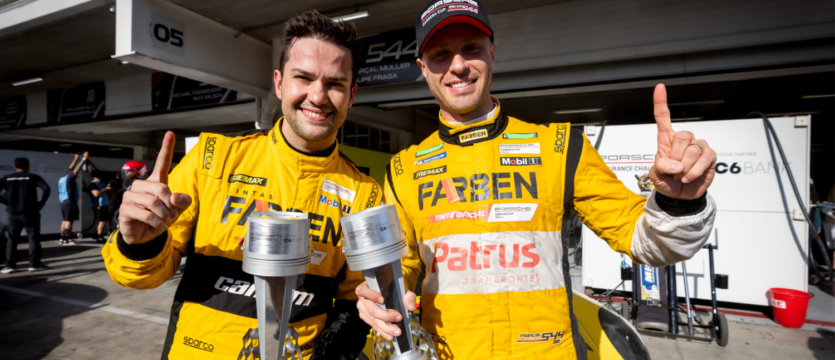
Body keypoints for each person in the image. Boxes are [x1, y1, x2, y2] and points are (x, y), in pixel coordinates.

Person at [354, 1, 718, 359]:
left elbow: (647, 243)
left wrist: (677, 203)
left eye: (471, 49)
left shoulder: (561, 148)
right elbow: (397, 270)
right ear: (422, 67)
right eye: (440, 54)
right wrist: (377, 296)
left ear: (492, 53)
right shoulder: (404, 169)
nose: (459, 65)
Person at [102, 11, 379, 359]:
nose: (318, 96)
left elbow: (358, 298)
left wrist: (332, 351)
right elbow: (138, 277)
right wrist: (140, 244)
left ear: (351, 94)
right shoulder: (213, 159)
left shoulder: (367, 194)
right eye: (303, 78)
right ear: (279, 83)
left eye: (335, 84)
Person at [0, 157, 51, 273]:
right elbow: (46, 188)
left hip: (12, 213)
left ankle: (9, 265)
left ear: (14, 166)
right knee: (33, 238)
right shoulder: (33, 177)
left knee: (12, 239)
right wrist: (41, 203)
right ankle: (34, 264)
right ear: (28, 166)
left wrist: (6, 202)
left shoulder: (6, 178)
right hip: (30, 212)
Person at [58, 152, 86, 245]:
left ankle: (62, 238)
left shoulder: (62, 179)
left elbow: (70, 169)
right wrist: (83, 159)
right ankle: (68, 239)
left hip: (63, 202)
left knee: (64, 221)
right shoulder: (70, 178)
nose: (76, 175)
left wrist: (75, 158)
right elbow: (75, 170)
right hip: (70, 202)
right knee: (69, 222)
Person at [89, 171, 112, 243]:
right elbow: (96, 194)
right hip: (98, 205)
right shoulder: (93, 184)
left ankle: (98, 235)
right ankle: (99, 237)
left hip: (105, 204)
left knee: (104, 221)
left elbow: (106, 194)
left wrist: (114, 191)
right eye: (99, 174)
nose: (101, 176)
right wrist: (106, 189)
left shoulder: (103, 183)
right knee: (102, 221)